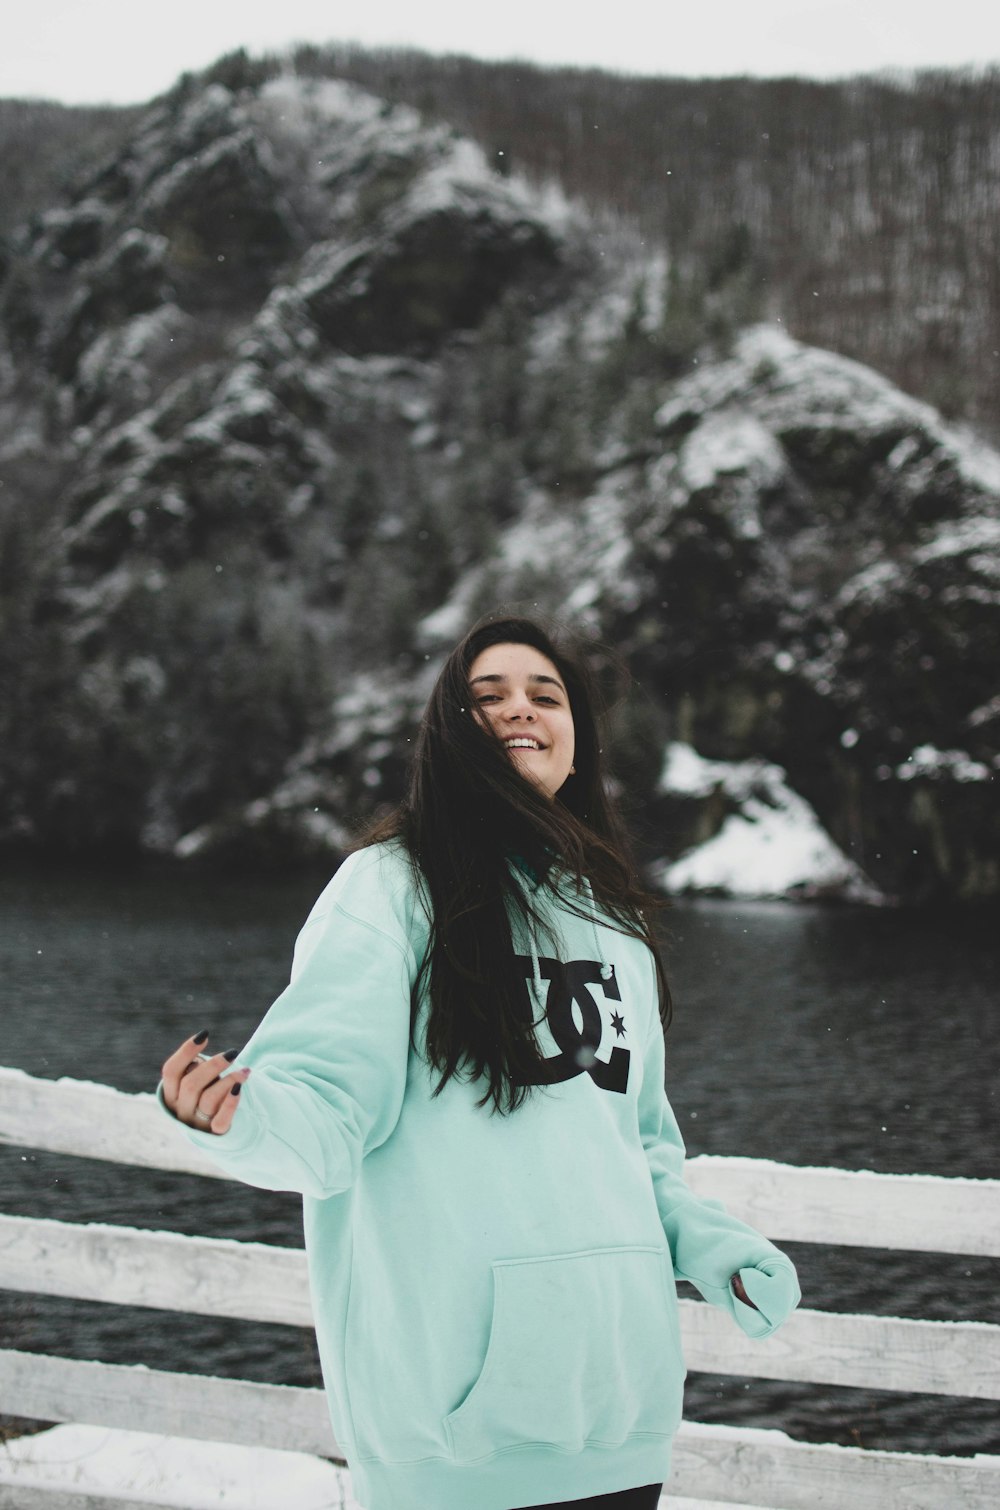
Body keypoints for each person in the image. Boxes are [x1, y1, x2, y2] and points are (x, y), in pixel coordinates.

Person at [159, 613, 800, 1510]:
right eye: (486, 696)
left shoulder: (614, 920)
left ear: (577, 741)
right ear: (449, 735)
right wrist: (239, 1118)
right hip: (456, 1442)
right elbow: (327, 1115)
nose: (520, 710)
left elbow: (639, 1146)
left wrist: (713, 1246)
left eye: (546, 694)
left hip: (621, 1419)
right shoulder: (387, 890)